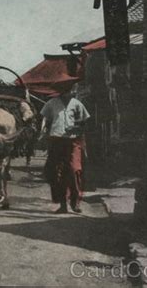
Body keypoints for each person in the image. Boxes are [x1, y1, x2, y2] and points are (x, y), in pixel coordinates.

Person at [40, 86, 90, 214]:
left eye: (71, 89)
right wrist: (46, 136)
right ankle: (62, 204)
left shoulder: (77, 104)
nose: (69, 92)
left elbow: (84, 124)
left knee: (74, 170)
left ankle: (75, 202)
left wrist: (76, 129)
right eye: (66, 89)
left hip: (73, 141)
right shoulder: (51, 104)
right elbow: (47, 122)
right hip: (56, 141)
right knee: (57, 173)